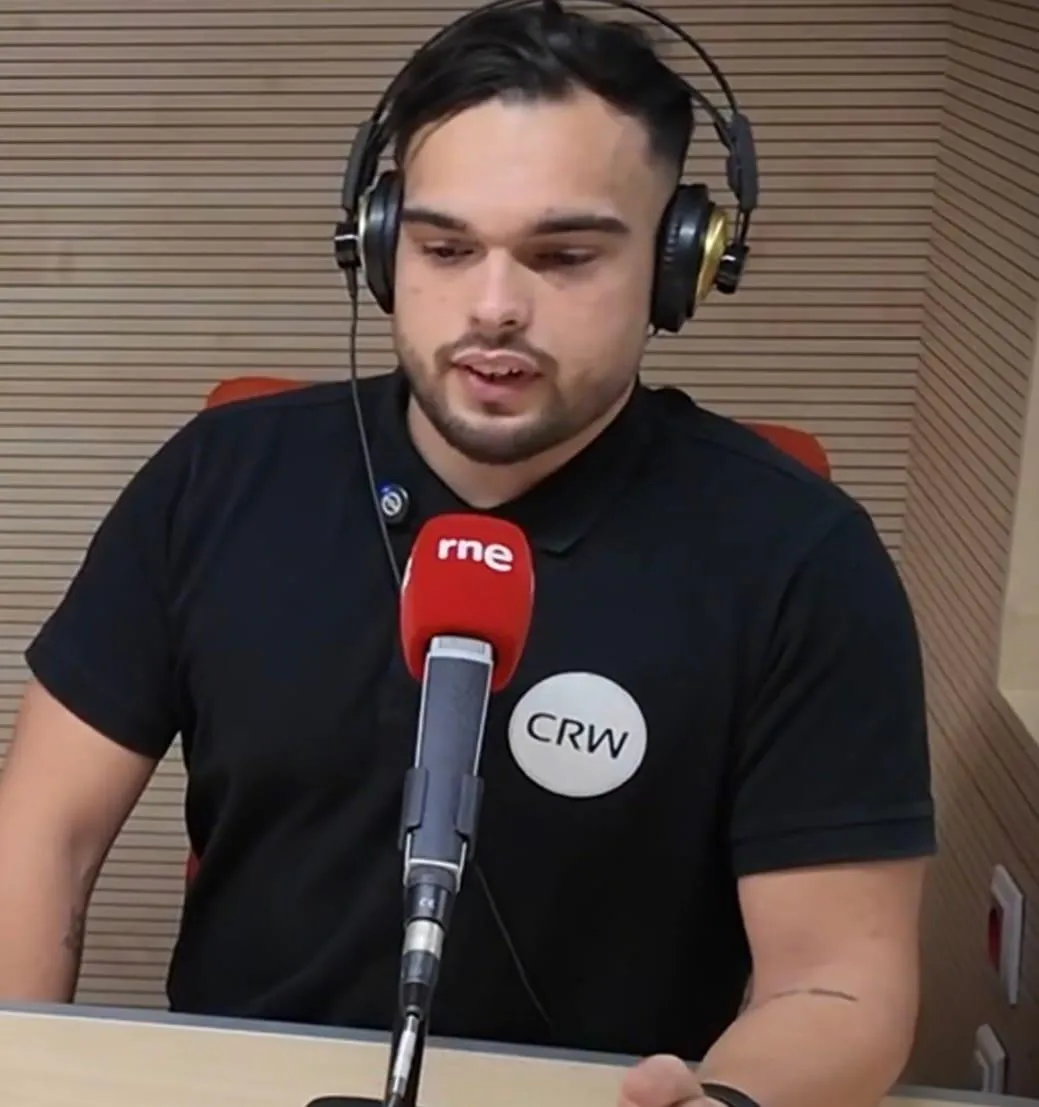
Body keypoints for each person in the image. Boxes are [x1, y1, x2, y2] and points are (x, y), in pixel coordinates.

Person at [0, 4, 935, 1107]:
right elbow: (45, 838)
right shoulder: (216, 479)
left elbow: (836, 984)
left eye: (564, 256)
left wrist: (726, 1101)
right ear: (380, 242)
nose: (494, 308)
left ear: (679, 262)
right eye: (445, 249)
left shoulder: (798, 556)